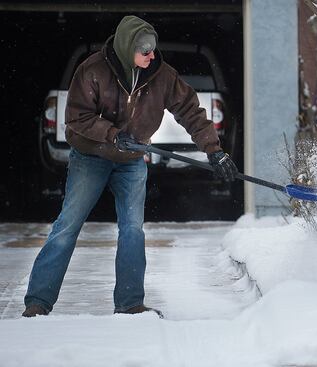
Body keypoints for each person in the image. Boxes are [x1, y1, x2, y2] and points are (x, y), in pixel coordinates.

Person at [22, 15, 237, 318]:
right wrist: (112, 134)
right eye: (145, 50)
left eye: (153, 49)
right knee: (67, 226)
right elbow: (76, 118)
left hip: (131, 160)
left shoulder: (162, 75)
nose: (152, 56)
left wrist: (214, 152)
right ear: (127, 46)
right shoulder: (93, 70)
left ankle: (130, 304)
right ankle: (37, 303)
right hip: (90, 156)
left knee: (132, 230)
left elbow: (191, 111)